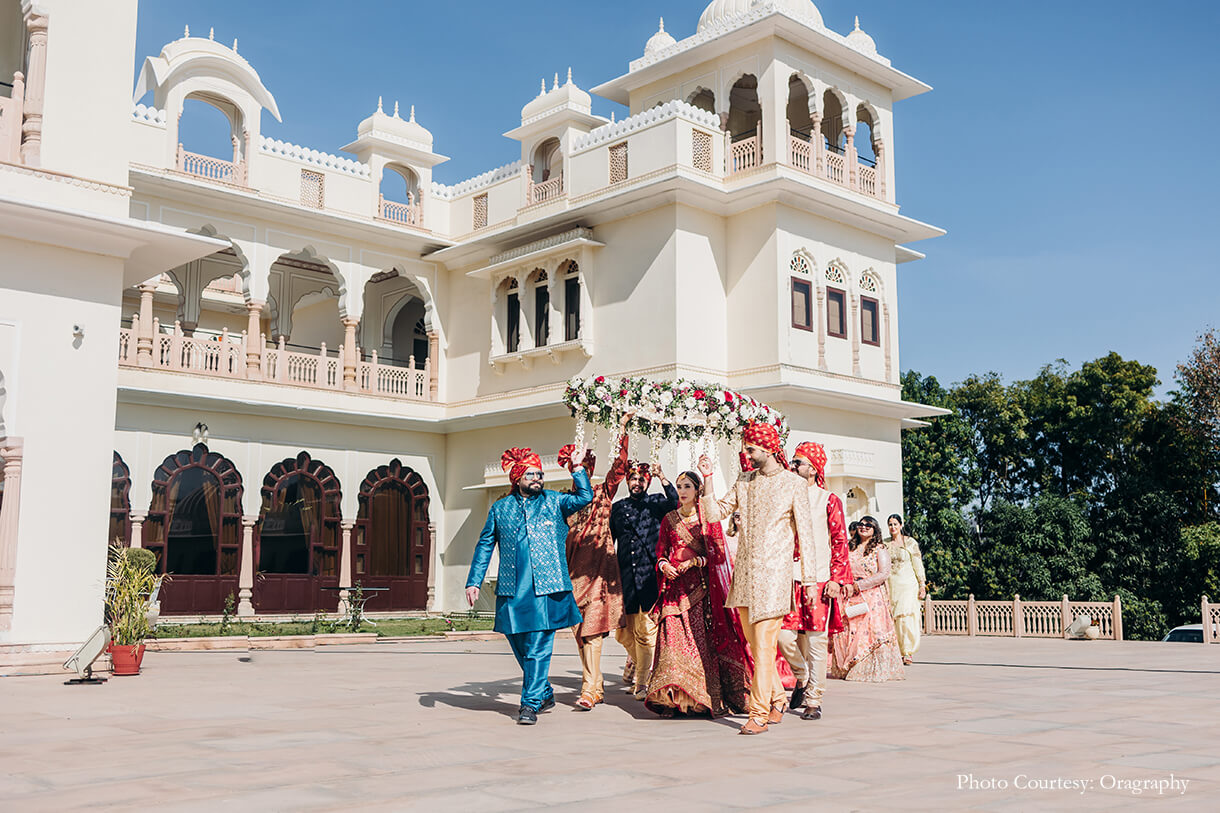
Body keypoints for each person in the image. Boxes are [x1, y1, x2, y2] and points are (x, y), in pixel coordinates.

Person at [697, 422, 817, 735]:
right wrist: (708, 479)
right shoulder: (745, 480)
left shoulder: (793, 484)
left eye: (750, 449)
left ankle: (759, 714)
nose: (746, 454)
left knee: (764, 646)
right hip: (746, 578)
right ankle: (778, 698)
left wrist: (809, 582)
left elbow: (806, 536)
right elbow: (714, 514)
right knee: (756, 645)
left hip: (775, 578)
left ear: (768, 448)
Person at [466, 446, 592, 724]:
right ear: (517, 478)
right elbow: (485, 545)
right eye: (531, 474)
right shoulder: (501, 508)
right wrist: (474, 580)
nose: (537, 479)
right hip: (513, 591)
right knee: (519, 645)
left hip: (547, 589)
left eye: (540, 474)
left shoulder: (555, 501)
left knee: (537, 647)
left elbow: (585, 496)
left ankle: (529, 704)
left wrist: (577, 468)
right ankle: (544, 690)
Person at [645, 470, 751, 717]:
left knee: (697, 646)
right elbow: (661, 551)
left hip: (700, 593)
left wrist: (694, 563)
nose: (682, 491)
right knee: (671, 644)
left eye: (687, 487)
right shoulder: (669, 519)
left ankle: (699, 700)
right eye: (680, 486)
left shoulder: (707, 521)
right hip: (673, 592)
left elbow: (717, 555)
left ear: (697, 491)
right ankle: (671, 701)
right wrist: (664, 565)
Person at [779, 441, 854, 720]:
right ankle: (803, 676)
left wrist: (837, 578)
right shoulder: (785, 495)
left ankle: (814, 700)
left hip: (820, 579)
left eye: (798, 462)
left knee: (816, 641)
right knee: (783, 636)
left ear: (812, 469)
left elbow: (839, 540)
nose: (793, 465)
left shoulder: (828, 500)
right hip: (789, 578)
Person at [559, 419, 630, 710]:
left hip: (600, 573)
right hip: (573, 575)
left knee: (593, 630)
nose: (583, 475)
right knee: (580, 634)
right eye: (578, 470)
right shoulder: (564, 501)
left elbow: (620, 468)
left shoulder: (602, 492)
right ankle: (596, 685)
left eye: (587, 470)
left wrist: (622, 430)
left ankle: (589, 689)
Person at [610, 459, 677, 699]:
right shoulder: (617, 508)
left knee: (646, 632)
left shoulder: (656, 502)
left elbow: (675, 502)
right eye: (634, 479)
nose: (637, 483)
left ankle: (642, 682)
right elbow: (611, 540)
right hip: (626, 578)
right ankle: (645, 668)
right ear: (628, 481)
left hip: (650, 576)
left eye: (642, 479)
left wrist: (663, 478)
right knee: (623, 634)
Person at [829, 515, 905, 682]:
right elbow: (840, 567)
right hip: (848, 594)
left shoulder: (879, 549)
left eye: (868, 525)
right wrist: (847, 584)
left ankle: (865, 669)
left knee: (869, 633)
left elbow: (883, 573)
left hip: (872, 596)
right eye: (861, 524)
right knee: (849, 631)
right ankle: (847, 667)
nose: (863, 527)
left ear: (875, 530)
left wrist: (861, 585)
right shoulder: (849, 547)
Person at [886, 514, 927, 666]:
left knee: (906, 618)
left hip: (908, 584)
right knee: (894, 619)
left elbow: (917, 563)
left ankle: (907, 651)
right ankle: (896, 650)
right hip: (891, 585)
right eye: (890, 524)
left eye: (895, 524)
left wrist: (922, 584)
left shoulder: (910, 542)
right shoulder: (885, 544)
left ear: (901, 525)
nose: (893, 527)